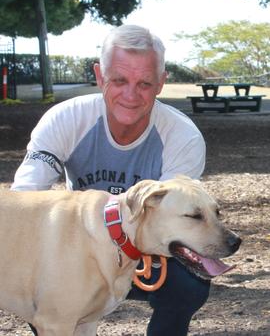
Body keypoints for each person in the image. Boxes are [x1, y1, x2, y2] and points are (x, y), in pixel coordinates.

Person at [12, 24, 208, 336]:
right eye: (118, 80)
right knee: (42, 274)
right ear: (99, 76)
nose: (131, 95)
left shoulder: (181, 137)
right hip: (78, 248)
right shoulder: (66, 119)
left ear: (161, 83)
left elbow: (172, 220)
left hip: (144, 250)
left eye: (144, 83)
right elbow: (25, 199)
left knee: (190, 283)